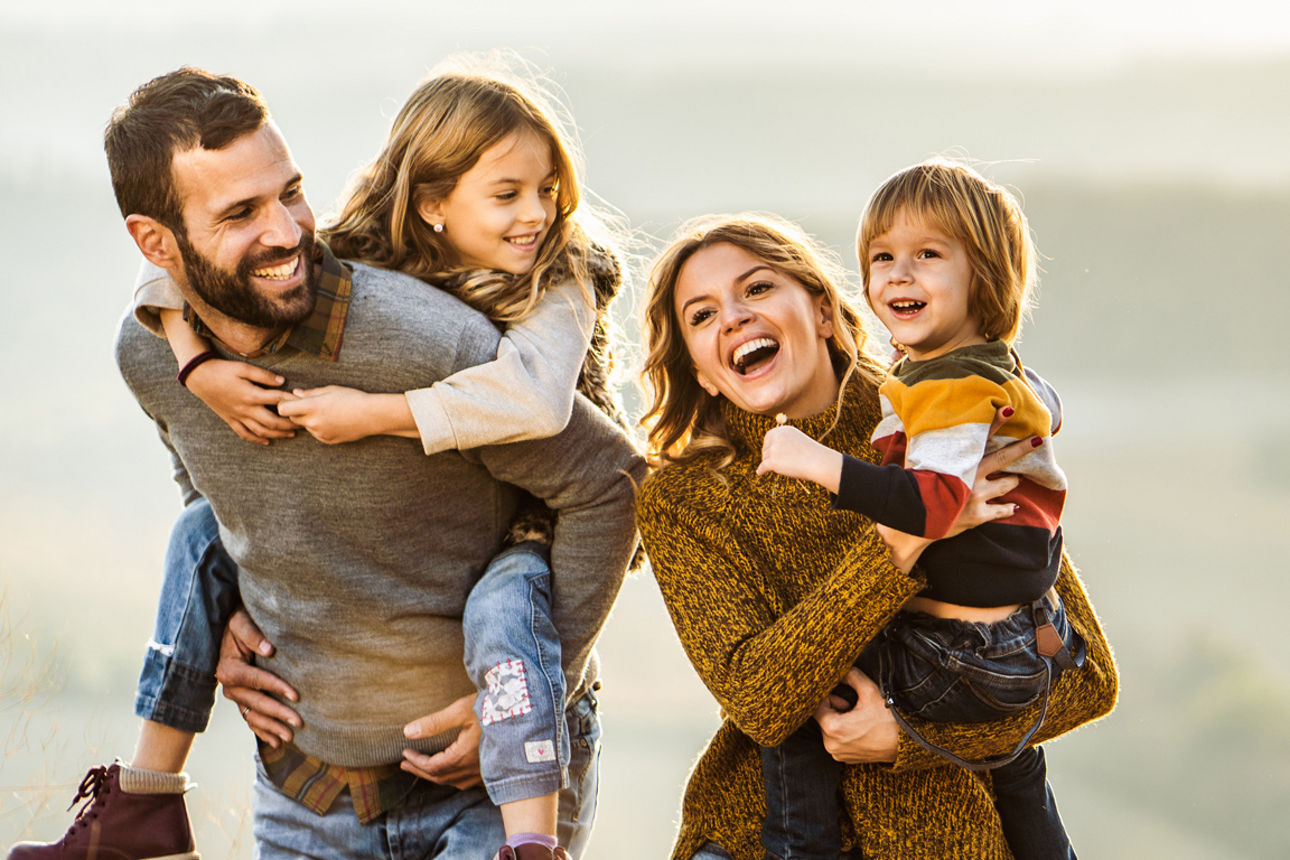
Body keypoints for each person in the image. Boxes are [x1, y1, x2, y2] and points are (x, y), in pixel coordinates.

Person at [9, 66, 642, 860]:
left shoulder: (442, 343)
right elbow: (209, 492)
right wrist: (227, 628)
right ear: (155, 244)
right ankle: (144, 804)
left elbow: (608, 483)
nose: (286, 231)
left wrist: (521, 701)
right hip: (305, 790)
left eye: (291, 193)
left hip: (494, 788)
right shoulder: (153, 354)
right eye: (241, 212)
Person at [634, 213, 1118, 859]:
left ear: (823, 310)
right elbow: (759, 698)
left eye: (756, 290)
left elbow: (1088, 678)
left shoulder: (945, 416)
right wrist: (904, 534)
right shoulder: (684, 499)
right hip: (760, 835)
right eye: (701, 315)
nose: (732, 319)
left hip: (951, 836)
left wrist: (910, 737)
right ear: (700, 370)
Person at [754, 159, 1084, 859]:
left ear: (984, 278)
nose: (898, 275)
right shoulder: (999, 368)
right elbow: (1048, 415)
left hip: (965, 654)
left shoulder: (950, 388)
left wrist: (819, 463)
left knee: (805, 681)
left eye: (927, 255)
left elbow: (934, 507)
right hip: (1028, 636)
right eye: (882, 258)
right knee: (1022, 779)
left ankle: (799, 848)